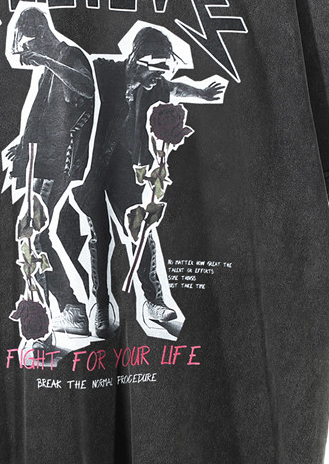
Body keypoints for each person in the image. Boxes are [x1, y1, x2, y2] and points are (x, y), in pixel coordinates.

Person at [71, 26, 225, 336]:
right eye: (157, 69)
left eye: (164, 70)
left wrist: (201, 93)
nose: (160, 76)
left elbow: (176, 88)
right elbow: (74, 79)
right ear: (137, 60)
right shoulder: (103, 69)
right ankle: (101, 305)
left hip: (124, 168)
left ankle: (153, 301)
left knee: (141, 228)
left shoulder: (152, 86)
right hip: (89, 167)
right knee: (100, 237)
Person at [4, 7, 95, 335]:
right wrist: (22, 141)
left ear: (41, 33)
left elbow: (86, 88)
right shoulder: (51, 63)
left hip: (53, 162)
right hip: (40, 158)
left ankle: (69, 307)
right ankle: (61, 308)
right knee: (32, 233)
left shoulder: (68, 56)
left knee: (33, 233)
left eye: (30, 44)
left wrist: (46, 60)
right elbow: (48, 113)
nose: (28, 52)